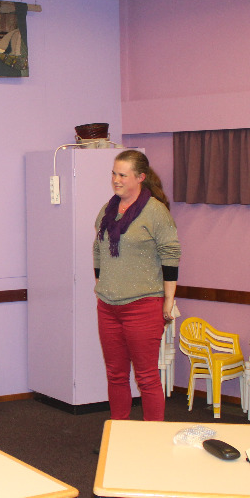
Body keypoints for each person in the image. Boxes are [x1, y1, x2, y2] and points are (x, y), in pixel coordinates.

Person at [93, 150, 180, 421]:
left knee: (146, 377)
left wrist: (168, 300)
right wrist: (102, 283)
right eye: (113, 173)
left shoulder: (155, 211)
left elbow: (171, 254)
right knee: (116, 374)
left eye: (122, 175)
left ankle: (152, 438)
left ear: (140, 177)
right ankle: (119, 433)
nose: (116, 180)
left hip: (143, 305)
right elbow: (98, 249)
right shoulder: (108, 210)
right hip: (108, 306)